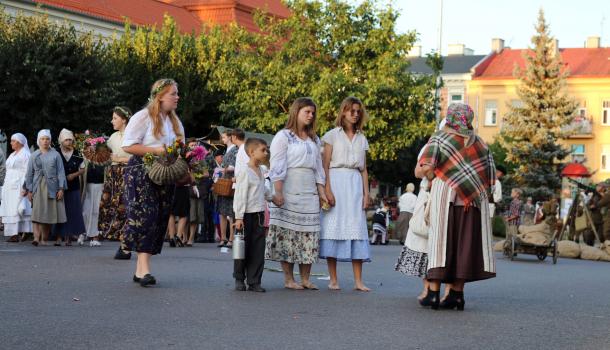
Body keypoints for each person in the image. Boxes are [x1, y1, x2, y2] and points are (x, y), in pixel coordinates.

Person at [416, 103, 496, 311]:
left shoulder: (440, 138)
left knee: (440, 242)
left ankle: (433, 294)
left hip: (446, 197)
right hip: (472, 202)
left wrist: (430, 174)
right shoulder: (480, 142)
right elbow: (490, 175)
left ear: (450, 118)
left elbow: (426, 166)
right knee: (464, 246)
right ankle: (457, 295)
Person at [122, 78, 184, 287]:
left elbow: (180, 147)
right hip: (142, 172)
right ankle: (144, 269)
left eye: (177, 93)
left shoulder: (174, 121)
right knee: (145, 216)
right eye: (173, 94)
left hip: (165, 172)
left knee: (159, 218)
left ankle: (140, 270)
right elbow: (128, 145)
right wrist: (156, 150)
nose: (177, 97)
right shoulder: (143, 117)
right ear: (160, 96)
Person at [266, 97, 327, 290]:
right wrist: (278, 191)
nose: (310, 115)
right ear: (296, 112)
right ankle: (288, 279)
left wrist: (322, 192)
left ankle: (306, 279)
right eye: (307, 112)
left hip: (309, 189)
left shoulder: (314, 139)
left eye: (312, 113)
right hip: (290, 186)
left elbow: (318, 168)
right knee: (289, 234)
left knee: (309, 234)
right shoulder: (283, 136)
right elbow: (276, 165)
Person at [320, 96, 371, 291]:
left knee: (356, 228)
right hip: (336, 180)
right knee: (333, 227)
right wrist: (327, 188)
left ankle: (358, 281)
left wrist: (366, 194)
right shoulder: (332, 135)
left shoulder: (362, 138)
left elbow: (364, 169)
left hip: (355, 184)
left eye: (358, 111)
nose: (355, 114)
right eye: (352, 110)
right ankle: (333, 279)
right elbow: (325, 165)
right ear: (343, 111)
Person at [233, 138, 271, 292]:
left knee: (258, 248)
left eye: (266, 149)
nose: (266, 152)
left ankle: (254, 280)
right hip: (246, 215)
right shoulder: (245, 171)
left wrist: (274, 197)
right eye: (262, 150)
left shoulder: (262, 170)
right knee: (243, 247)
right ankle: (239, 278)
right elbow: (240, 195)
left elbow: (264, 190)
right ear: (251, 152)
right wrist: (239, 217)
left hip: (259, 214)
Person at [98, 106, 133, 259]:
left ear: (124, 119)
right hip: (113, 176)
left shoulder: (133, 136)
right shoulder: (112, 137)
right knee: (110, 207)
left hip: (127, 174)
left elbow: (141, 157)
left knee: (125, 208)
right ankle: (120, 241)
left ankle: (126, 246)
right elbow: (107, 156)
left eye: (115, 118)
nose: (112, 121)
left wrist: (119, 159)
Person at [25, 130, 67, 246]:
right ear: (39, 140)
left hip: (52, 186)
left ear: (50, 141)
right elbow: (29, 173)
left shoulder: (55, 155)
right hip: (38, 186)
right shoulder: (34, 155)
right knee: (36, 213)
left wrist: (61, 188)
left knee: (48, 213)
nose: (45, 141)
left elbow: (60, 172)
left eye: (47, 139)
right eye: (42, 139)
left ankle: (44, 238)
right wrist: (29, 189)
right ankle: (36, 238)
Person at [51, 128, 86, 246]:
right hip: (59, 186)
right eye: (66, 140)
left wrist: (74, 175)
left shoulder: (77, 153)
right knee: (59, 211)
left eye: (71, 140)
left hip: (73, 186)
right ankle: (58, 236)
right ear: (61, 140)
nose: (69, 142)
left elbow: (83, 168)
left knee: (72, 211)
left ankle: (69, 236)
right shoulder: (55, 152)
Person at [0, 133, 32, 242]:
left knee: (19, 209)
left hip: (19, 185)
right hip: (9, 185)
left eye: (12, 141)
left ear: (19, 142)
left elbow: (28, 171)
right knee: (10, 209)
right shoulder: (12, 154)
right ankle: (15, 233)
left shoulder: (26, 154)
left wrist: (26, 186)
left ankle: (20, 233)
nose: (10, 143)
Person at [216, 129, 237, 248]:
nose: (222, 139)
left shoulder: (235, 150)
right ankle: (223, 237)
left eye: (224, 137)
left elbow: (233, 167)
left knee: (231, 212)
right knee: (222, 212)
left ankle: (231, 238)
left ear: (230, 137)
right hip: (223, 183)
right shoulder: (227, 150)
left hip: (230, 183)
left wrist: (222, 169)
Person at [80, 161, 105, 246]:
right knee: (86, 211)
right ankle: (83, 233)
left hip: (100, 186)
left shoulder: (104, 157)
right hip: (88, 186)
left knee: (96, 211)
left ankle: (94, 236)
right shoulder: (85, 157)